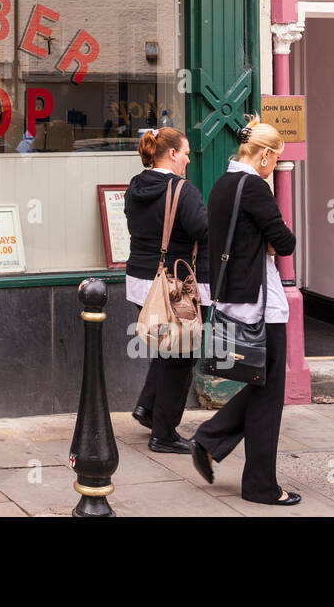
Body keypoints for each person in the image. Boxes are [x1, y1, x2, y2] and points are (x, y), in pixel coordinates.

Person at [190, 116, 300, 505]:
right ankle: (260, 486)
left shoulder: (223, 184)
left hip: (234, 297)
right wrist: (272, 241)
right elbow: (285, 242)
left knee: (260, 383)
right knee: (269, 394)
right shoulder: (254, 187)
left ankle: (209, 439)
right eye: (276, 159)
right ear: (265, 155)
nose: (275, 166)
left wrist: (263, 242)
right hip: (261, 303)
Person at [124, 126, 209, 454]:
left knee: (164, 346)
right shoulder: (182, 191)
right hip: (171, 284)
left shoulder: (135, 186)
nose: (188, 159)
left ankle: (147, 407)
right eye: (185, 153)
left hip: (139, 280)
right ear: (172, 153)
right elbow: (203, 229)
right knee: (181, 355)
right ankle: (164, 433)